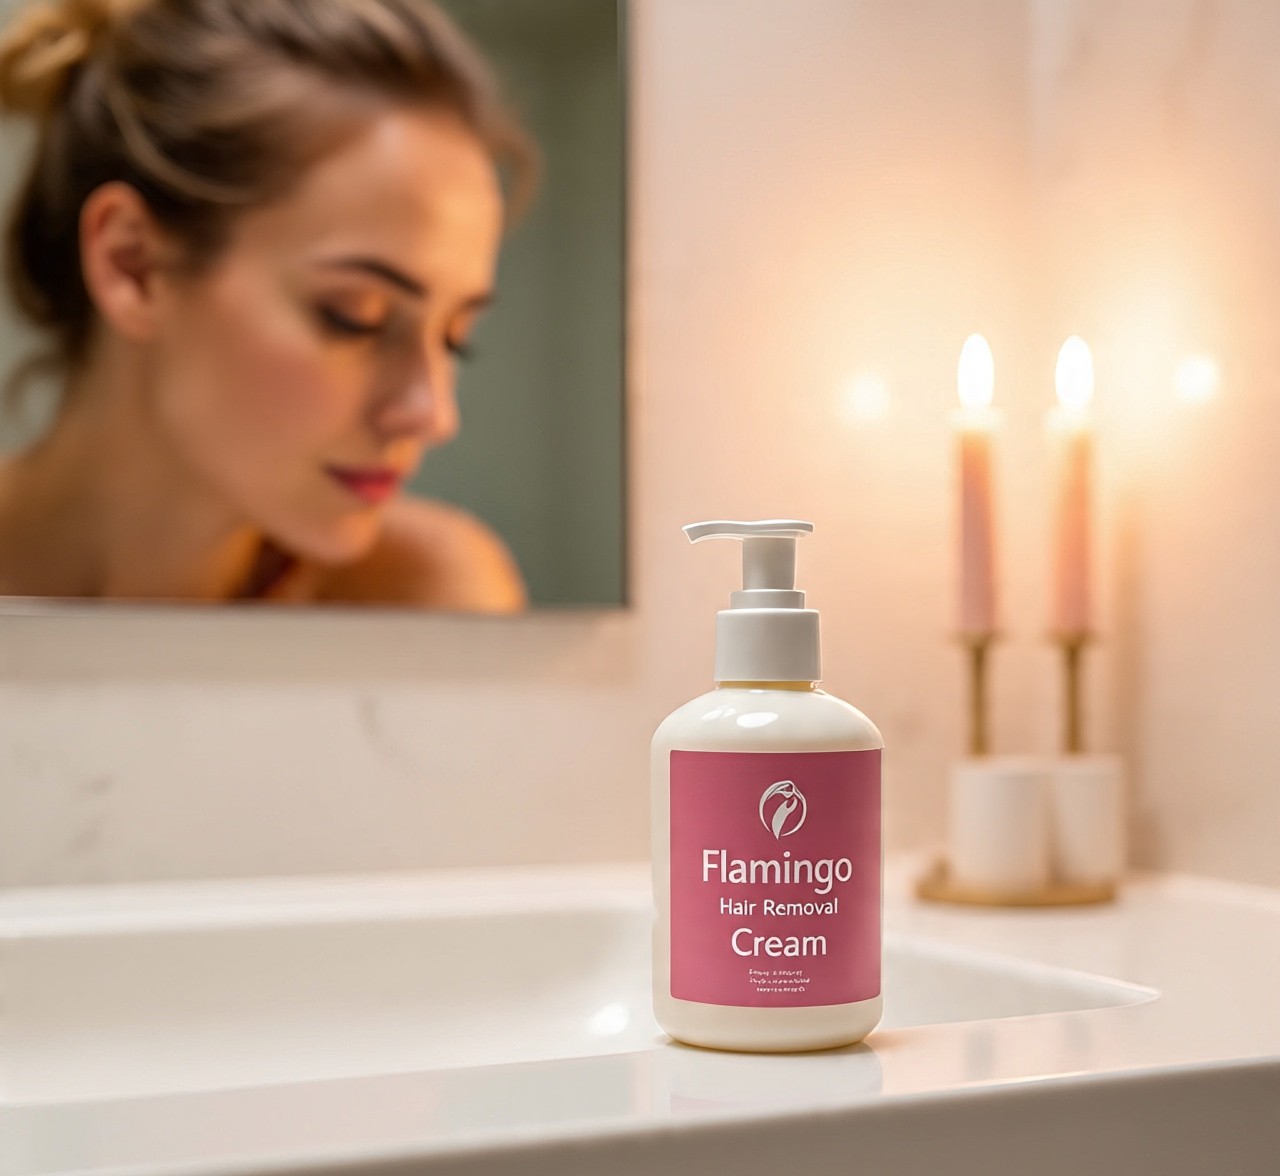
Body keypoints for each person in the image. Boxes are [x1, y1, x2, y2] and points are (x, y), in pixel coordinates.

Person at [0, 0, 536, 608]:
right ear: (134, 266)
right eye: (355, 316)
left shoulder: (422, 596)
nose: (431, 415)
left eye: (454, 336)